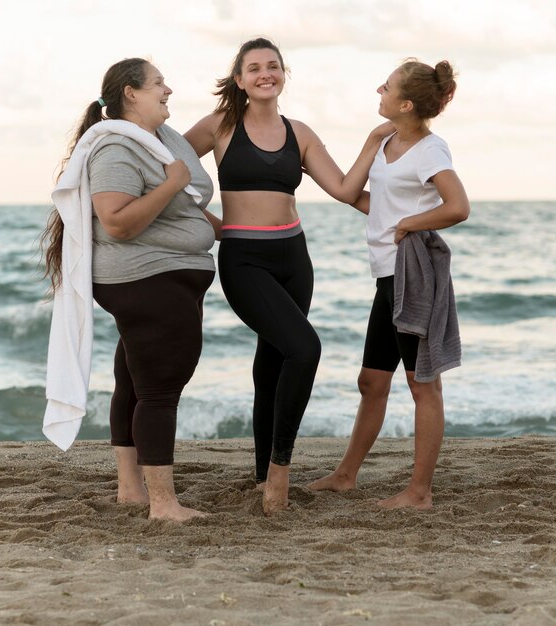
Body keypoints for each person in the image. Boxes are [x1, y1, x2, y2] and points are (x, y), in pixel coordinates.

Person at [184, 37, 393, 515]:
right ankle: (279, 472)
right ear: (239, 79)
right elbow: (165, 170)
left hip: (294, 260)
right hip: (245, 261)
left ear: (283, 75)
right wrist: (210, 223)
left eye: (273, 66)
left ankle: (260, 474)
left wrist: (373, 142)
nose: (265, 74)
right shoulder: (218, 126)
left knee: (273, 365)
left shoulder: (299, 132)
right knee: (306, 348)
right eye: (254, 67)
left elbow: (343, 188)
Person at [42, 57, 221, 522]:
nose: (169, 89)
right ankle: (164, 504)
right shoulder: (116, 148)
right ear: (131, 94)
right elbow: (117, 221)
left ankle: (131, 490)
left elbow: (184, 212)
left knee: (136, 382)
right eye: (159, 83)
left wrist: (232, 232)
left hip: (166, 277)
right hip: (146, 280)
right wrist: (173, 183)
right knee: (161, 388)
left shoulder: (162, 139)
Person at [309, 59, 470, 509]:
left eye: (387, 86)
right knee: (371, 381)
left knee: (423, 385)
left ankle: (419, 492)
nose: (378, 89)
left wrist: (408, 223)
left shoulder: (430, 150)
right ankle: (345, 475)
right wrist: (368, 142)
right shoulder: (386, 142)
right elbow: (349, 194)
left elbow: (458, 206)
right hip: (386, 274)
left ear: (405, 102)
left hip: (410, 275)